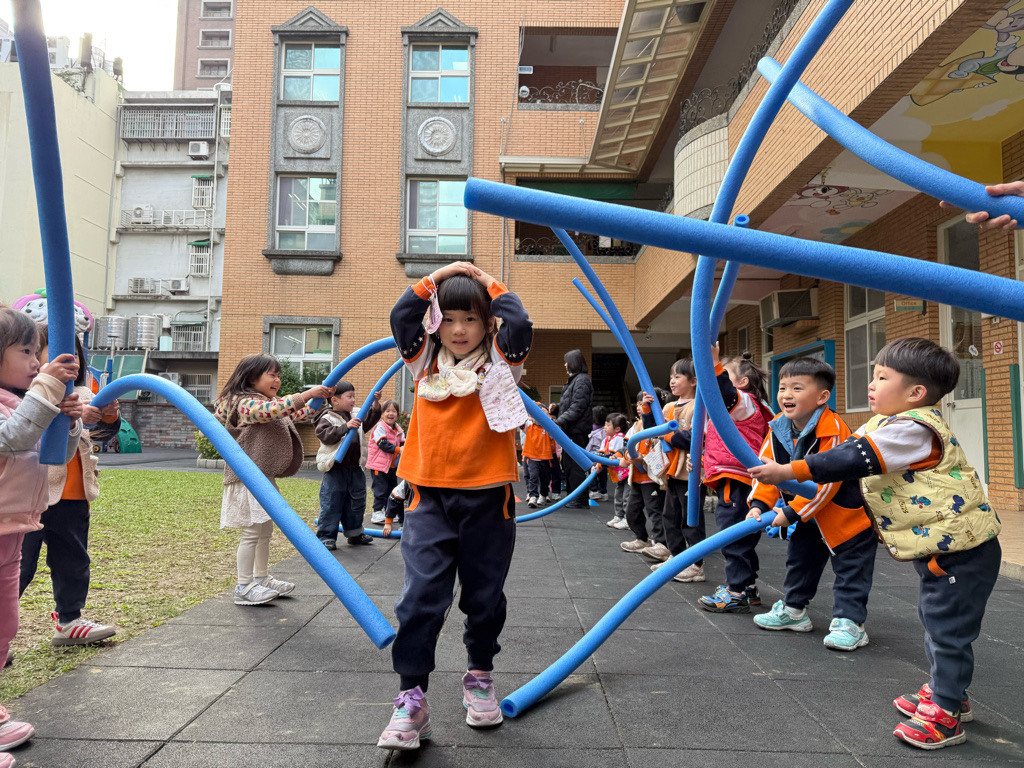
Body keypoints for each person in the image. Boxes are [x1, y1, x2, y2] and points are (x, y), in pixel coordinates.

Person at [750, 338, 1002, 750]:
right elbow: (849, 461)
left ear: (915, 393)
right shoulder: (886, 423)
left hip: (962, 552)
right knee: (937, 623)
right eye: (873, 375)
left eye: (882, 377)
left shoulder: (914, 429)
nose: (871, 384)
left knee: (948, 630)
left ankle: (946, 714)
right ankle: (949, 692)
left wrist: (788, 470)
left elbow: (850, 459)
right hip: (944, 551)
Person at [379, 261, 532, 751]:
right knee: (420, 598)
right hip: (429, 495)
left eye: (471, 319)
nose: (459, 330)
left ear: (488, 323)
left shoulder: (503, 363)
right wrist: (440, 276)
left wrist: (486, 281)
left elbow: (519, 320)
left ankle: (480, 676)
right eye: (448, 319)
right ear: (435, 323)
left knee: (484, 597)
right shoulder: (423, 361)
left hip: (489, 496)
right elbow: (402, 315)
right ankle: (411, 699)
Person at [744, 358, 876, 650]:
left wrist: (792, 511)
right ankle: (794, 610)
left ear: (822, 397)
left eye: (797, 388)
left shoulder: (834, 429)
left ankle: (850, 622)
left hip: (845, 516)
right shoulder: (778, 428)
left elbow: (828, 481)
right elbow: (766, 470)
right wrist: (760, 504)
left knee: (851, 569)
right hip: (808, 516)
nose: (786, 395)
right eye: (782, 388)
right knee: (800, 562)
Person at [0, 308, 84, 761]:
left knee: (5, 625)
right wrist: (48, 387)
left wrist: (67, 423)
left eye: (37, 352)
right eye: (26, 351)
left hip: (12, 530)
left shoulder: (19, 402)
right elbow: (12, 439)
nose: (37, 361)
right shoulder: (13, 407)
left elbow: (54, 455)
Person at [20, 328, 121, 647]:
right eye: (57, 351)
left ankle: (69, 620)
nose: (71, 359)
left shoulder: (84, 391)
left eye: (75, 352)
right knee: (19, 564)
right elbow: (27, 429)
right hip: (30, 494)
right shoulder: (26, 392)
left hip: (74, 492)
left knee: (73, 560)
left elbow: (101, 433)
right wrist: (72, 415)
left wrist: (109, 416)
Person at [215, 354, 333, 605]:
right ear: (252, 377)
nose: (277, 380)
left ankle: (261, 578)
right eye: (272, 375)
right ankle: (243, 585)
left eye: (278, 375)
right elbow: (270, 411)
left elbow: (294, 413)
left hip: (262, 476)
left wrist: (318, 399)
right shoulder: (243, 403)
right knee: (252, 532)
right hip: (246, 477)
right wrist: (307, 394)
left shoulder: (266, 402)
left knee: (264, 531)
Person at [674, 346, 773, 613]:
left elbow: (725, 393)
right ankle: (747, 587)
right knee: (742, 536)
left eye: (724, 373)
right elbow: (717, 443)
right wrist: (702, 459)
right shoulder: (732, 410)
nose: (716, 376)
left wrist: (714, 363)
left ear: (742, 382)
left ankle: (736, 590)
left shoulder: (743, 402)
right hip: (736, 476)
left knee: (733, 536)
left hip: (737, 478)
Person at [646, 358, 707, 583]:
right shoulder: (668, 407)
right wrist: (647, 410)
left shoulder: (699, 407)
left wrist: (669, 435)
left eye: (677, 377)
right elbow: (653, 431)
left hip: (689, 469)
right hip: (671, 469)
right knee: (670, 516)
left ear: (693, 381)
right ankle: (677, 556)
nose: (672, 381)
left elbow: (695, 438)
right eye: (671, 377)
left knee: (690, 517)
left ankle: (696, 564)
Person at [314, 382, 380, 547]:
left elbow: (369, 420)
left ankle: (355, 533)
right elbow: (325, 436)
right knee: (331, 502)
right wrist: (345, 427)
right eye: (349, 396)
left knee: (356, 502)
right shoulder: (327, 417)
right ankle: (326, 536)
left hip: (355, 468)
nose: (353, 400)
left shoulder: (356, 414)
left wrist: (376, 404)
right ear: (335, 400)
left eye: (354, 396)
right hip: (335, 468)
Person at [618, 392, 666, 554]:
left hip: (652, 477)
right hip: (637, 476)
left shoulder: (661, 424)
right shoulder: (637, 425)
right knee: (632, 511)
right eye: (638, 404)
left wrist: (642, 459)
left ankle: (661, 542)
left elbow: (660, 449)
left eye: (644, 405)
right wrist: (627, 456)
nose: (639, 408)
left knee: (655, 511)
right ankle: (642, 538)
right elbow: (627, 445)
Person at [555, 349, 593, 509]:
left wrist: (560, 421)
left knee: (575, 465)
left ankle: (579, 498)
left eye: (566, 362)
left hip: (576, 431)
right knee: (569, 464)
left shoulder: (581, 381)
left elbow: (577, 406)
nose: (565, 365)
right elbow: (572, 405)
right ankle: (574, 496)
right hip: (572, 430)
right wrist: (557, 409)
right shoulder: (576, 381)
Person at [368, 399, 404, 526]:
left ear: (398, 414)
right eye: (387, 411)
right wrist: (399, 450)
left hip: (392, 467)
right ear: (382, 414)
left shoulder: (399, 430)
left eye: (394, 411)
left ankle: (389, 512)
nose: (390, 414)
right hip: (379, 466)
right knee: (380, 490)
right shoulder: (380, 427)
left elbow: (403, 443)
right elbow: (383, 444)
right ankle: (377, 512)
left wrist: (405, 448)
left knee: (392, 490)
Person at [600, 412, 630, 528]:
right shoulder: (607, 439)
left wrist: (600, 465)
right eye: (605, 424)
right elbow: (601, 455)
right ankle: (619, 516)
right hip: (619, 473)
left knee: (626, 496)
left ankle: (627, 519)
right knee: (619, 494)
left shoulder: (619, 438)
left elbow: (609, 456)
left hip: (625, 472)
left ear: (617, 429)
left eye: (608, 425)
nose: (605, 427)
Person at [521, 406, 553, 507]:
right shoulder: (529, 427)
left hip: (545, 458)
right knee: (533, 477)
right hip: (532, 458)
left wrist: (546, 414)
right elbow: (521, 422)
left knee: (545, 479)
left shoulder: (548, 428)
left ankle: (543, 495)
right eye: (536, 416)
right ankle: (533, 496)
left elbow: (554, 429)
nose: (538, 419)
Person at [586, 405, 609, 501]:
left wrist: (585, 453)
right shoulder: (606, 429)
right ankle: (603, 492)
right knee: (603, 474)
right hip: (604, 455)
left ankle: (594, 490)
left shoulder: (592, 430)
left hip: (593, 455)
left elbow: (589, 445)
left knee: (592, 472)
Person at [546, 403, 563, 500]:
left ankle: (556, 492)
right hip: (545, 453)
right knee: (545, 474)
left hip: (555, 453)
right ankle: (545, 493)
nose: (552, 420)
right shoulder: (544, 425)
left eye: (554, 418)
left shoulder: (558, 425)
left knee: (556, 473)